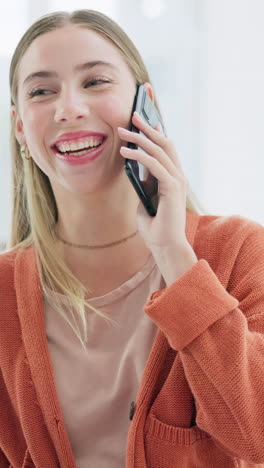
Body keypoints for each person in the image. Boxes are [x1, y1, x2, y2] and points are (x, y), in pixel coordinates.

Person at [1, 8, 264, 468]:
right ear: (21, 128)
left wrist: (174, 256)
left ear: (147, 106)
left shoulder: (239, 252)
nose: (69, 109)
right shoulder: (4, 289)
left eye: (96, 82)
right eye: (42, 91)